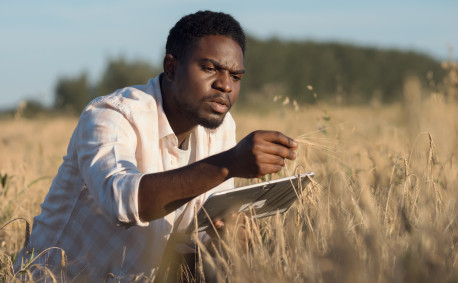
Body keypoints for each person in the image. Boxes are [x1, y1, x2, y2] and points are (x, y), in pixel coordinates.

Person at [14, 10, 298, 282]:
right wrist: (228, 164)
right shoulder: (111, 115)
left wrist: (227, 242)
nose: (225, 85)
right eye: (210, 68)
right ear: (171, 68)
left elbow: (194, 245)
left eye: (236, 77)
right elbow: (121, 203)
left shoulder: (221, 128)